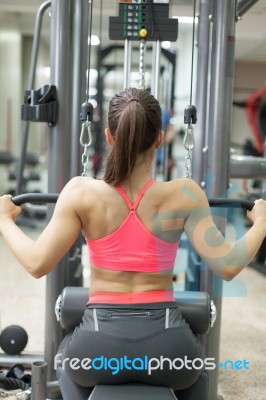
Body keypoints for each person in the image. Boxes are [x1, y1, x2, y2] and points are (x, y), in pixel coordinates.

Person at [1, 88, 266, 400]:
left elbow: (36, 263)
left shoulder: (80, 193)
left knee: (65, 358)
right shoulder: (185, 194)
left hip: (97, 349)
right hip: (168, 350)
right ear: (158, 139)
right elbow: (229, 265)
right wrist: (261, 222)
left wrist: (5, 219)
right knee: (196, 369)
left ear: (110, 137)